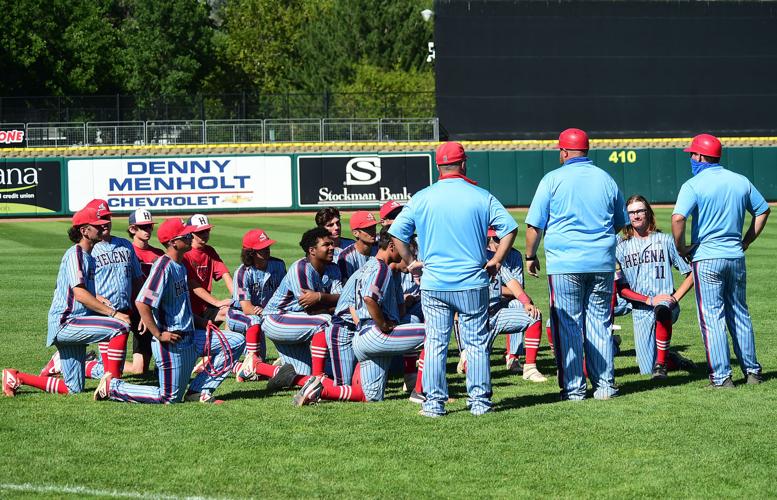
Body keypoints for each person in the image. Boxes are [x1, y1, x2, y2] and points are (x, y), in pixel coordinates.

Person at [389, 141, 518, 417]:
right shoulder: (481, 195)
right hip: (471, 282)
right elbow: (509, 228)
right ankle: (480, 403)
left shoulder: (422, 197)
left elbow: (397, 233)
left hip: (434, 283)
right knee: (476, 343)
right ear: (463, 163)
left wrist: (411, 263)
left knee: (435, 343)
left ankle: (434, 405)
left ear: (438, 167)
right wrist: (496, 260)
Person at [94, 217, 245, 404]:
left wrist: (202, 322)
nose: (191, 237)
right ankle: (113, 387)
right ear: (174, 242)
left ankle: (198, 391)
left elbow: (181, 308)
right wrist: (158, 333)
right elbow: (142, 302)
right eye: (186, 235)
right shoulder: (163, 267)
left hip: (191, 336)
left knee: (236, 341)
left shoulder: (180, 266)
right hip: (172, 343)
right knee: (169, 397)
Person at [525, 128, 627, 401]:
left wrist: (530, 256)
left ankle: (574, 389)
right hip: (601, 262)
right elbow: (620, 221)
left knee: (568, 325)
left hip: (565, 264)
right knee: (600, 323)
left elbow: (535, 225)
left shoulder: (552, 179)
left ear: (564, 151)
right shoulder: (606, 179)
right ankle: (605, 386)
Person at [672, 133, 770, 388]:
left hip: (707, 257)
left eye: (693, 154)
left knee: (712, 317)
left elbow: (678, 218)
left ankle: (721, 377)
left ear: (702, 156)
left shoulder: (693, 184)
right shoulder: (740, 180)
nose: (691, 158)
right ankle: (752, 372)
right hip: (735, 256)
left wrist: (681, 248)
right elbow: (763, 210)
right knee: (739, 313)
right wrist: (747, 240)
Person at [3, 207, 130, 397]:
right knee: (119, 326)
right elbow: (79, 294)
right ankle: (112, 385)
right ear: (84, 231)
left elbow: (82, 292)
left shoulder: (88, 256)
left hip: (74, 322)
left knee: (74, 388)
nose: (103, 226)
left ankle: (15, 377)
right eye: (96, 225)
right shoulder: (76, 254)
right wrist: (114, 313)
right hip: (68, 322)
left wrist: (98, 299)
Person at [292, 228, 426, 406]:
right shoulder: (381, 268)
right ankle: (420, 391)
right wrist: (383, 324)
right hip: (359, 330)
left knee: (370, 396)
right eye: (406, 251)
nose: (409, 256)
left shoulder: (370, 266)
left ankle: (319, 389)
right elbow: (369, 299)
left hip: (361, 333)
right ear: (393, 246)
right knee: (433, 333)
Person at [247, 227, 342, 385]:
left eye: (331, 243)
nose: (332, 247)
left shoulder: (333, 268)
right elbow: (312, 310)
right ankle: (318, 380)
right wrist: (331, 303)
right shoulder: (301, 268)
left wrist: (320, 296)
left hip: (297, 321)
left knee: (301, 374)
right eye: (326, 244)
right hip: (277, 318)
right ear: (312, 250)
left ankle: (258, 367)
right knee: (324, 322)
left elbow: (341, 300)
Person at [615, 195, 696, 378]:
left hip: (666, 304)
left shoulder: (665, 240)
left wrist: (674, 298)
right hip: (640, 309)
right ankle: (672, 358)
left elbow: (691, 274)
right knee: (645, 370)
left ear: (648, 213)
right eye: (631, 212)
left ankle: (662, 363)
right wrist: (648, 300)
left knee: (662, 308)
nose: (636, 216)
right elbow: (622, 290)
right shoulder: (620, 248)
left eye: (640, 211)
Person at [228, 229, 286, 381]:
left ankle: (288, 359)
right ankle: (246, 366)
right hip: (238, 315)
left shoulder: (278, 265)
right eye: (262, 249)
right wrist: (265, 311)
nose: (267, 250)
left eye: (267, 246)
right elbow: (247, 308)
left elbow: (286, 295)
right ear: (251, 252)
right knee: (254, 321)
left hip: (264, 313)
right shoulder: (242, 273)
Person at [125, 208, 164, 375]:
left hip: (150, 310)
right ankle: (96, 363)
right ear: (133, 229)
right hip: (129, 309)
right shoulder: (126, 252)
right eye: (143, 227)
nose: (148, 230)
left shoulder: (159, 254)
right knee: (138, 369)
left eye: (149, 226)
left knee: (140, 370)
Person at [183, 214, 233, 325]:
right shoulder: (185, 254)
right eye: (201, 232)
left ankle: (228, 342)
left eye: (207, 231)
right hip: (189, 310)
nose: (205, 234)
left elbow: (225, 274)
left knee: (233, 314)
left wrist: (237, 298)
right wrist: (217, 302)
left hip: (206, 306)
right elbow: (193, 285)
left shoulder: (209, 251)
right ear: (191, 233)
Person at [337, 210, 378, 281]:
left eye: (374, 227)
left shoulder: (380, 249)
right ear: (355, 233)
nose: (373, 231)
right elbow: (346, 288)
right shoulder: (346, 257)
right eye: (368, 229)